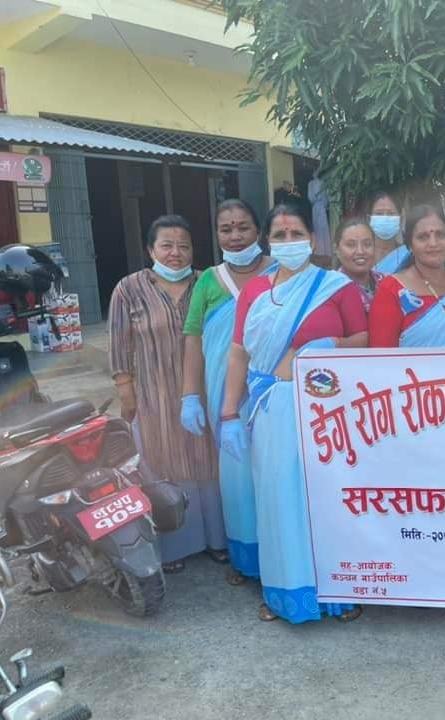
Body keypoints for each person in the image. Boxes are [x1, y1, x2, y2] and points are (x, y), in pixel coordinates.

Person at [219, 203, 369, 624]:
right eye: (280, 236)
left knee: (327, 497)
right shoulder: (254, 292)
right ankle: (285, 593)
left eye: (297, 233)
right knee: (281, 499)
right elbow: (238, 354)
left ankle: (338, 592)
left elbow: (363, 339)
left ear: (313, 238)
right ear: (268, 242)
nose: (289, 242)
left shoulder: (336, 287)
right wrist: (228, 414)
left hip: (328, 410)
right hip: (273, 409)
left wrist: (331, 346)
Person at [109, 215, 224, 574]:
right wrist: (126, 393)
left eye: (184, 246)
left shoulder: (209, 282)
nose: (176, 253)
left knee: (208, 464)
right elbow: (118, 345)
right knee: (162, 466)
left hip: (203, 391)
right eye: (167, 245)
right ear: (150, 249)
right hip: (153, 396)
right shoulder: (128, 289)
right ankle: (174, 547)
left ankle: (217, 540)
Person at [180, 199, 274, 584]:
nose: (235, 236)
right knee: (236, 479)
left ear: (258, 231)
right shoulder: (207, 281)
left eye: (243, 227)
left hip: (272, 393)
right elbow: (193, 340)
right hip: (226, 396)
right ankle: (247, 560)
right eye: (226, 229)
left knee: (275, 474)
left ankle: (281, 556)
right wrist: (190, 395)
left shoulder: (280, 272)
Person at [368, 205, 445, 348]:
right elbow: (381, 355)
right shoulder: (392, 290)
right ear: (410, 245)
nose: (433, 243)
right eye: (423, 237)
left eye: (440, 235)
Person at [335, 218, 383, 313]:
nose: (360, 251)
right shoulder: (332, 289)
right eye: (351, 245)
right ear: (337, 250)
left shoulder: (385, 282)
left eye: (367, 244)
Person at [369, 192, 409, 274]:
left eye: (391, 213)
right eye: (379, 213)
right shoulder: (362, 253)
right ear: (369, 219)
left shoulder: (408, 255)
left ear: (400, 219)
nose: (385, 218)